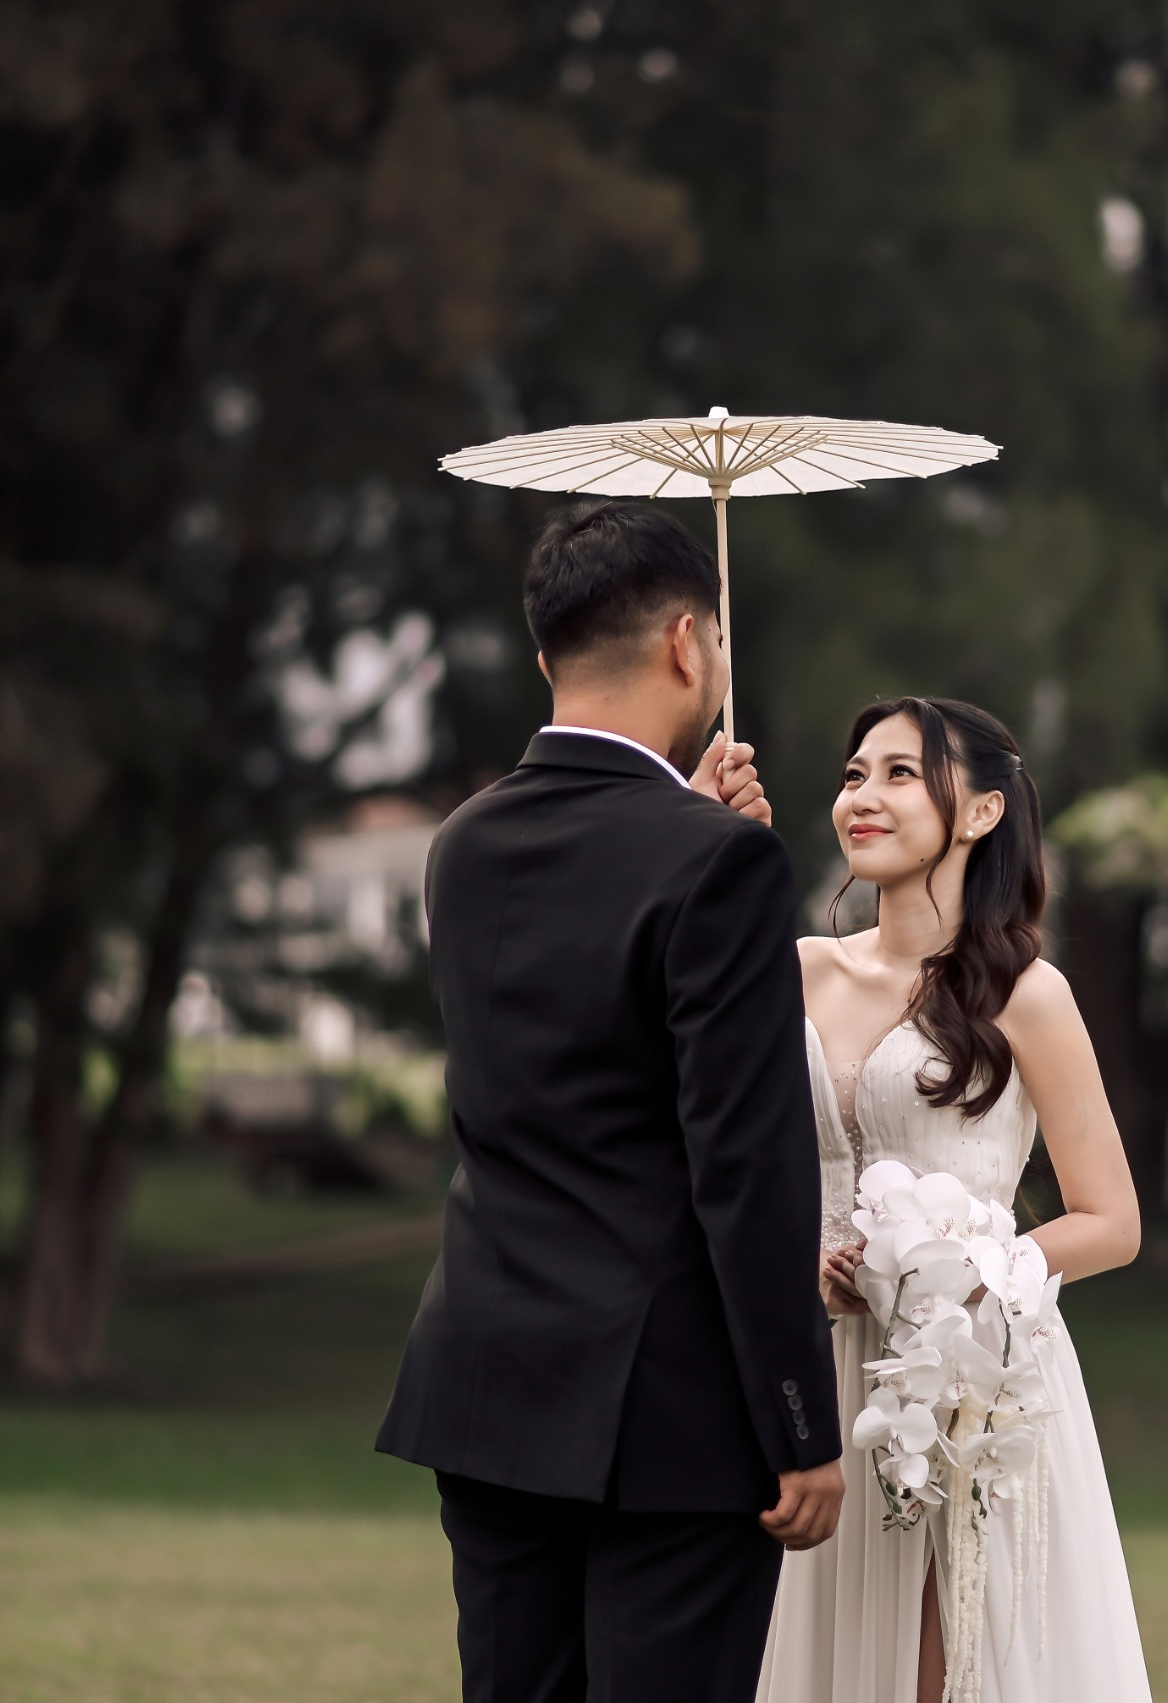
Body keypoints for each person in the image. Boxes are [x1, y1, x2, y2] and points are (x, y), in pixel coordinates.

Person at [378, 498, 845, 1703]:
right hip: (668, 1414)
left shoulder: (462, 843)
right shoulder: (719, 861)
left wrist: (692, 820)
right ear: (688, 642)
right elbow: (745, 1165)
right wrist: (799, 1418)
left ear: (546, 657)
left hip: (486, 1381)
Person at [756, 697, 1153, 1703]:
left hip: (971, 1377)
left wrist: (961, 1276)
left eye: (899, 773)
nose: (864, 795)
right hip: (819, 1371)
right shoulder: (796, 970)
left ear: (980, 811)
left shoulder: (1027, 992)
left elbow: (1110, 1220)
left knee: (950, 1663)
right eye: (854, 774)